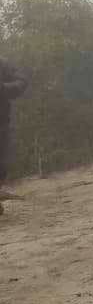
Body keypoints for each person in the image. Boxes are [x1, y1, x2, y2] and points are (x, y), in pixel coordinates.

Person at [0, 57, 32, 214]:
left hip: (1, 123)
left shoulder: (2, 63)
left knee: (3, 164)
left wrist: (4, 88)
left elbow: (22, 81)